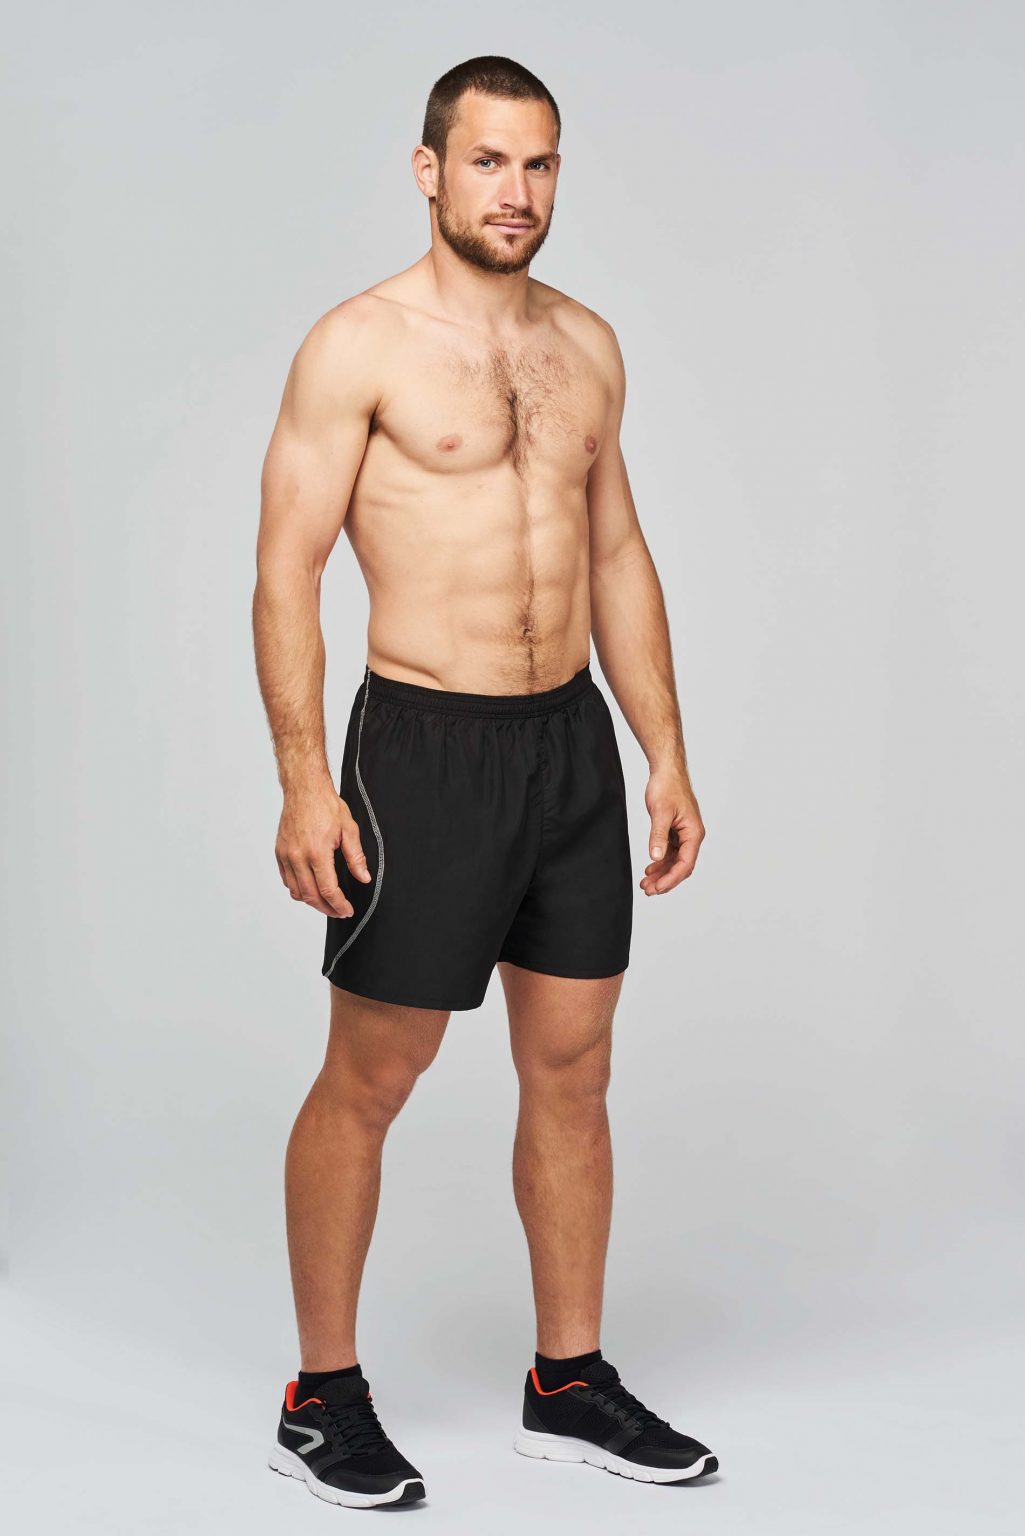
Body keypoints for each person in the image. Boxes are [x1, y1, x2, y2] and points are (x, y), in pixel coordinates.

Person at [252, 54, 717, 1510]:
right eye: (489, 161)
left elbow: (617, 552)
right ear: (430, 170)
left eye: (540, 163)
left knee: (573, 1067)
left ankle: (566, 1380)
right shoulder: (359, 346)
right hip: (423, 748)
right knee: (372, 1075)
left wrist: (664, 752)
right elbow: (285, 568)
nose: (517, 191)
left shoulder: (587, 346)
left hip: (567, 748)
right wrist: (302, 782)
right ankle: (320, 1396)